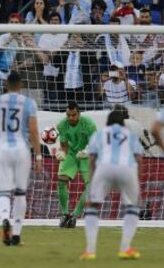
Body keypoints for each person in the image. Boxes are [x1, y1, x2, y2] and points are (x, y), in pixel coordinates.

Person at [0, 70, 42, 246]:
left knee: (3, 191)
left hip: (2, 150)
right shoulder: (28, 103)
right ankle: (16, 235)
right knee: (20, 193)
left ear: (6, 85)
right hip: (21, 149)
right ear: (20, 86)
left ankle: (4, 218)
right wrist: (39, 156)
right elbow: (33, 131)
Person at [81, 110, 143, 260]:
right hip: (127, 168)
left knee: (92, 206)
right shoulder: (130, 135)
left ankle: (90, 251)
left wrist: (92, 179)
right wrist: (136, 179)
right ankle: (125, 248)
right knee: (132, 206)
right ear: (123, 122)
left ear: (107, 122)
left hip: (104, 167)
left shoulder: (100, 133)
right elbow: (139, 158)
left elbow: (91, 158)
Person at [55, 101, 97, 228]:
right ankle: (64, 214)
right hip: (72, 154)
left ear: (79, 113)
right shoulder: (61, 125)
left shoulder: (89, 123)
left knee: (90, 185)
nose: (71, 118)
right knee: (61, 180)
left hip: (87, 153)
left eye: (73, 115)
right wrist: (62, 152)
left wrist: (87, 151)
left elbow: (96, 143)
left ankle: (75, 215)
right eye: (68, 115)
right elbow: (64, 146)